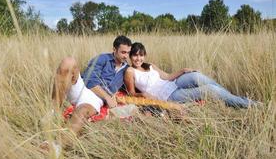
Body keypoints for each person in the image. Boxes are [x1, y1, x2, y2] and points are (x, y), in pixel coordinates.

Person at [124, 42, 258, 108]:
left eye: (141, 55)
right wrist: (142, 95)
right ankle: (249, 104)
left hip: (173, 84)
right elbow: (130, 94)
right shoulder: (130, 71)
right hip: (169, 96)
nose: (138, 59)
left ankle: (230, 97)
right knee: (209, 90)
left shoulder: (150, 66)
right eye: (135, 55)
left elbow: (167, 77)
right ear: (130, 56)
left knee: (196, 75)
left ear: (144, 56)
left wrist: (182, 70)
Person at [82, 35, 132, 108]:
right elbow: (89, 80)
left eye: (128, 53)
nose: (126, 56)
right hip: (86, 91)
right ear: (114, 50)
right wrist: (107, 97)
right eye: (123, 52)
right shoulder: (102, 59)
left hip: (99, 99)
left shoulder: (127, 69)